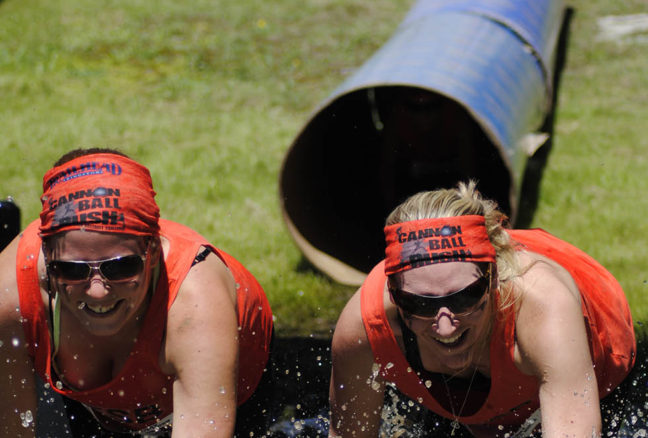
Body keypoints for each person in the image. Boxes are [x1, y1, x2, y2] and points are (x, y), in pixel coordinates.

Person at [0, 148, 274, 437]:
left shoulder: (195, 305)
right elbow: (12, 430)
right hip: (97, 409)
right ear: (47, 257)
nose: (96, 292)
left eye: (120, 268)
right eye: (72, 270)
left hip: (238, 385)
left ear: (153, 252)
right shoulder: (11, 299)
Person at [329, 181, 636, 437]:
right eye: (420, 304)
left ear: (494, 279)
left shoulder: (542, 306)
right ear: (395, 296)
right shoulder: (367, 327)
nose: (446, 326)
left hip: (601, 366)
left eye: (464, 297)